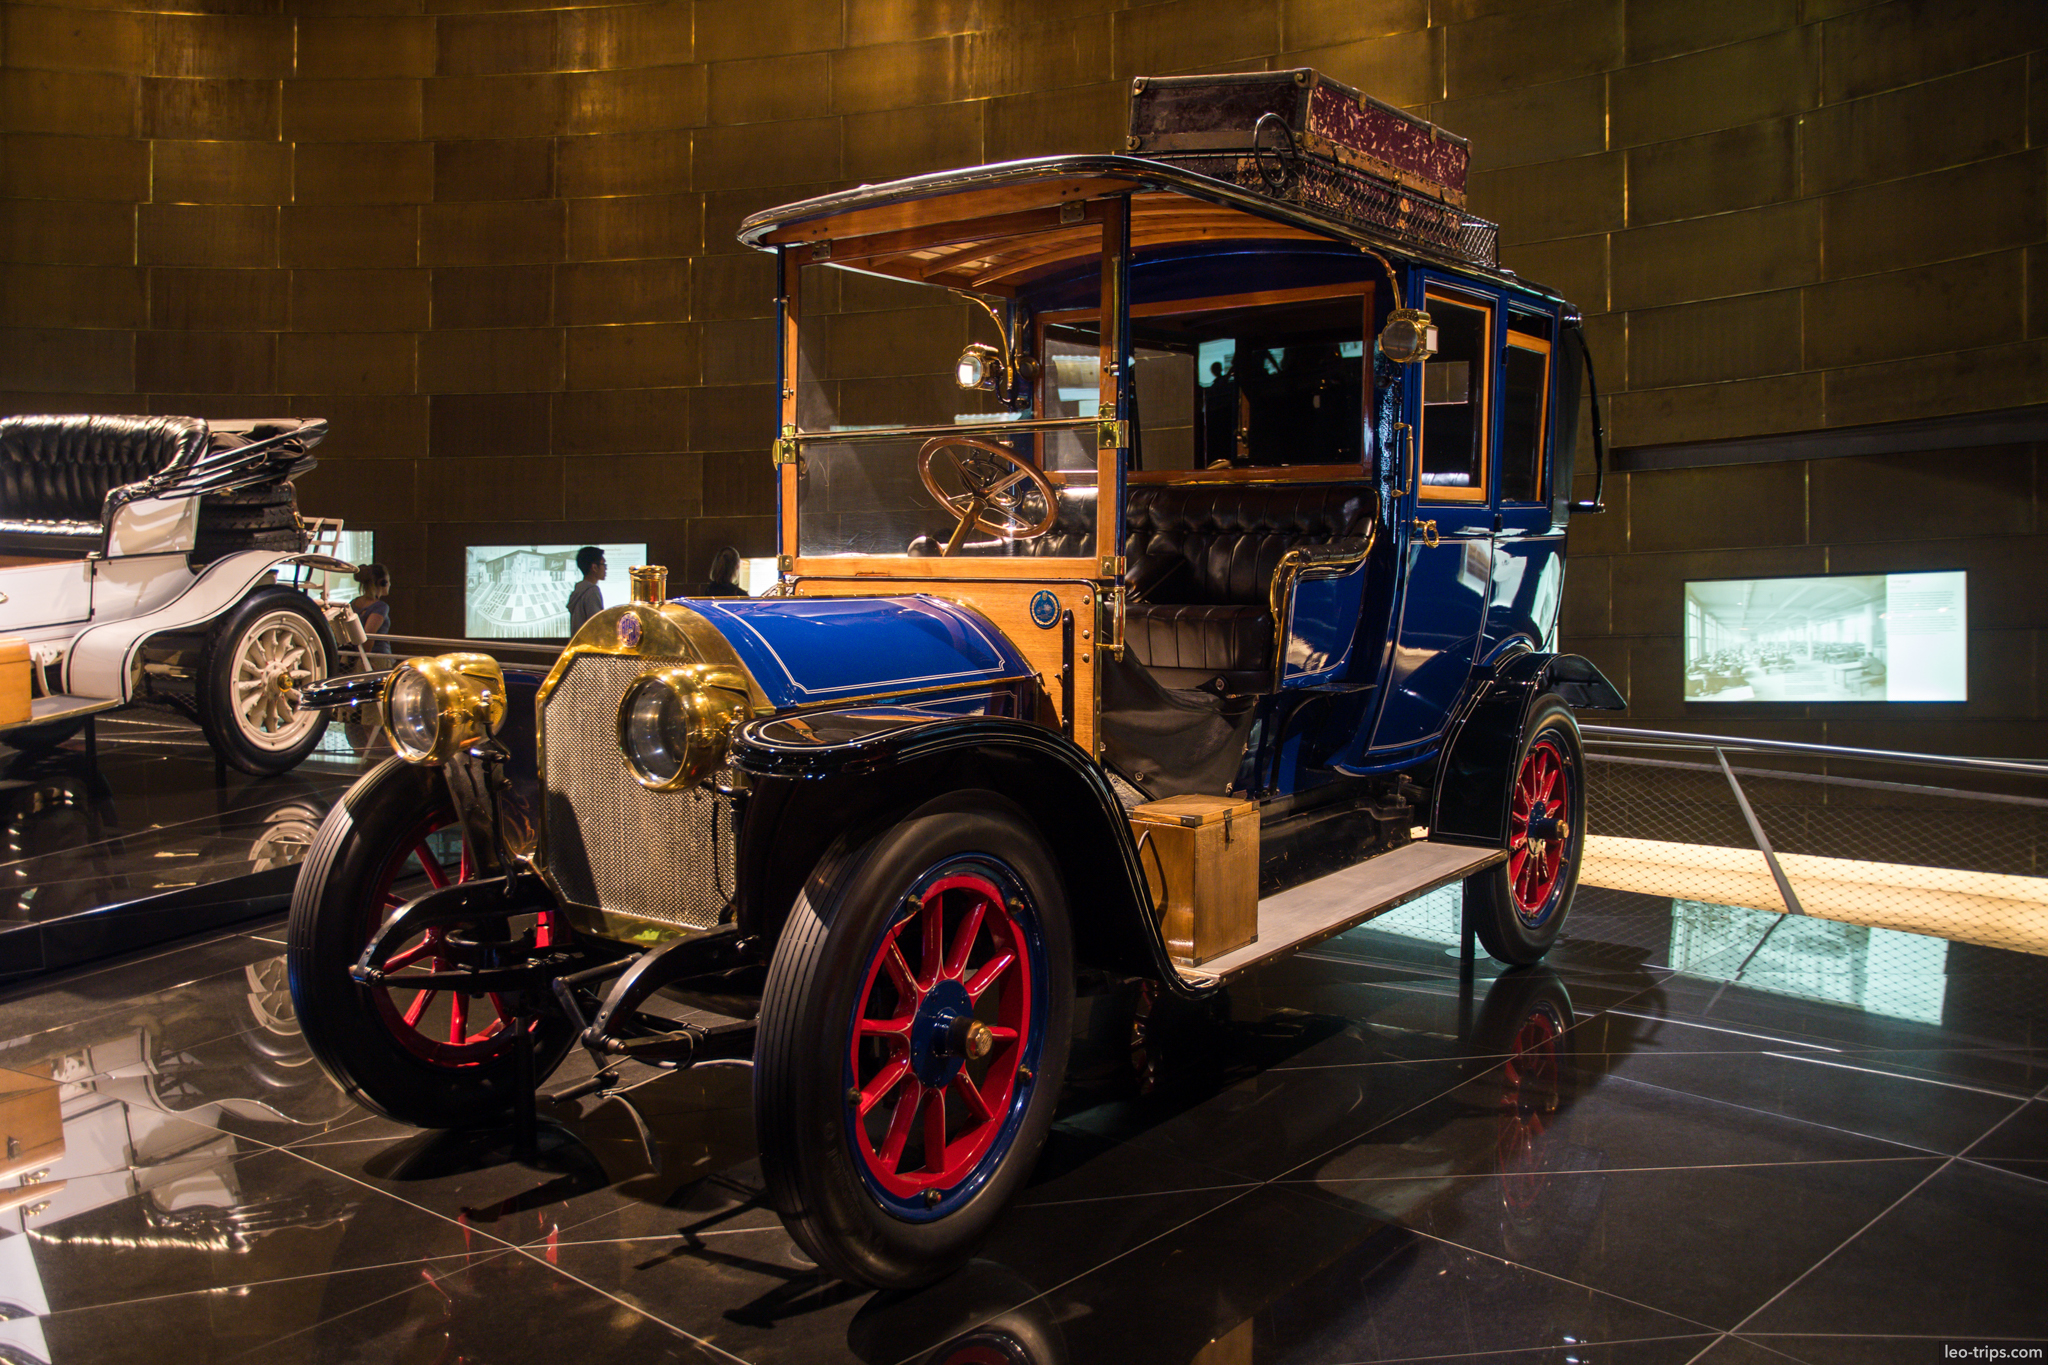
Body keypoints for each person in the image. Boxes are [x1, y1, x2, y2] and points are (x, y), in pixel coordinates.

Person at [567, 546, 606, 632]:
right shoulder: (592, 590)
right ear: (594, 567)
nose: (606, 568)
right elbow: (597, 625)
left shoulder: (579, 589)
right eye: (603, 564)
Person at [350, 564, 391, 639]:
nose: (390, 584)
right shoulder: (380, 607)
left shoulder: (353, 603)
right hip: (376, 650)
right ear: (382, 582)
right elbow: (369, 636)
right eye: (388, 580)